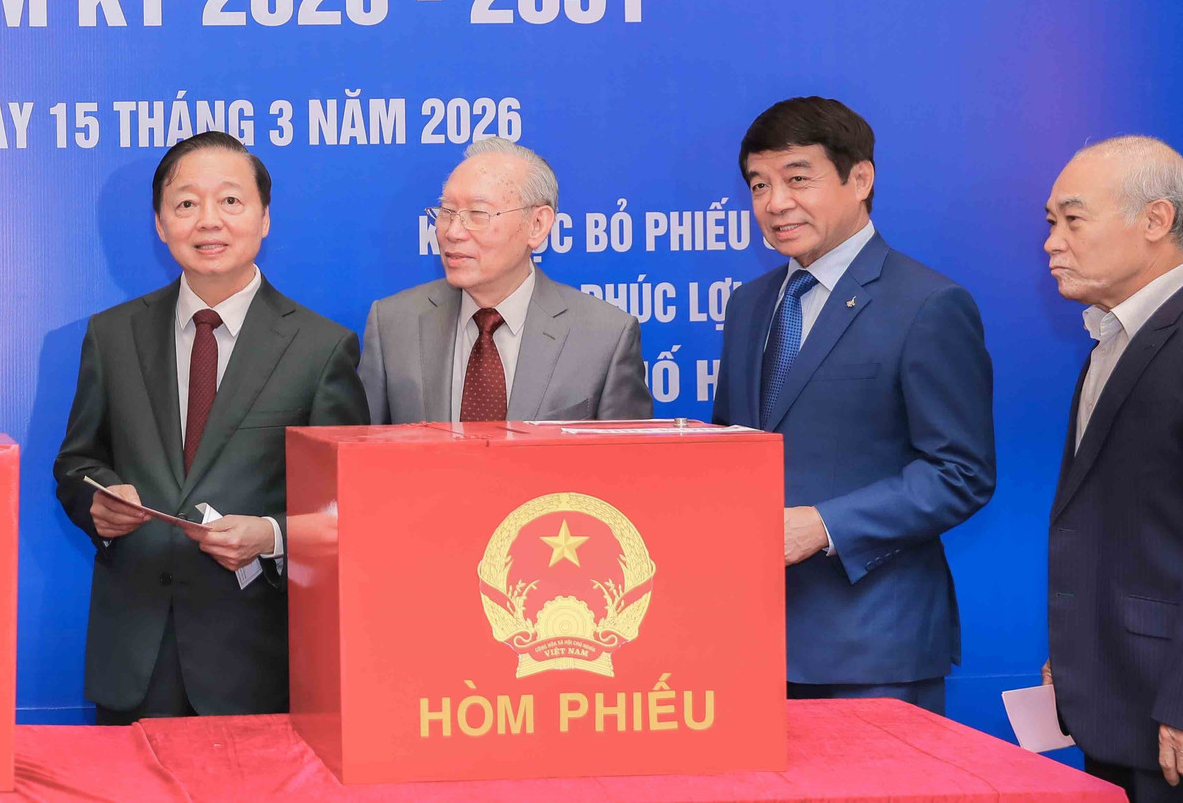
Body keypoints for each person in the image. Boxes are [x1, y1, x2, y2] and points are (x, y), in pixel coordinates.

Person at [54, 132, 368, 722]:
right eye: (186, 204)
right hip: (136, 653)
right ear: (160, 222)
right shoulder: (111, 335)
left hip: (256, 655)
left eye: (230, 201)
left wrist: (271, 536)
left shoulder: (322, 348)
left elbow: (345, 506)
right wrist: (96, 501)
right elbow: (75, 463)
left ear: (264, 218)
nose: (209, 222)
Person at [712, 96, 994, 715]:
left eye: (797, 178)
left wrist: (823, 525)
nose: (775, 202)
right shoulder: (749, 305)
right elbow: (731, 449)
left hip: (873, 645)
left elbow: (961, 473)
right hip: (749, 642)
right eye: (759, 185)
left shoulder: (928, 304)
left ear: (860, 179)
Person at [1041, 136, 1183, 801]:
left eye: (1073, 219)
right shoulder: (1111, 334)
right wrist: (1073, 652)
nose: (1052, 242)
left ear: (1155, 221)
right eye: (1051, 223)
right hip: (1114, 698)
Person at [361, 137, 650, 423]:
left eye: (477, 214)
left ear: (537, 225)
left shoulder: (605, 337)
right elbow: (359, 456)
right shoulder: (393, 325)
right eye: (447, 211)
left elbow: (627, 466)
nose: (453, 232)